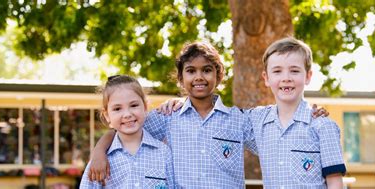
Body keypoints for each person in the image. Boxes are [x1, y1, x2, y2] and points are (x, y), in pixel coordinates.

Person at [89, 42, 328, 188]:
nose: (199, 77)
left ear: (218, 75)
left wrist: (309, 111)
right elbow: (124, 128)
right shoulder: (167, 118)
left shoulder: (240, 120)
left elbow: (281, 125)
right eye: (191, 71)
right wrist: (99, 151)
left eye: (207, 70)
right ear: (181, 79)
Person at [249, 37, 346, 188]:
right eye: (277, 71)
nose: (286, 78)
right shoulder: (257, 122)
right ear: (266, 78)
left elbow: (335, 183)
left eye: (294, 71)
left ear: (308, 76)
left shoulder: (323, 126)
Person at [80, 75, 175, 188]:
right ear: (107, 115)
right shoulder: (99, 162)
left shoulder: (164, 154)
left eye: (134, 105)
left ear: (145, 107)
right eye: (117, 109)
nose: (127, 114)